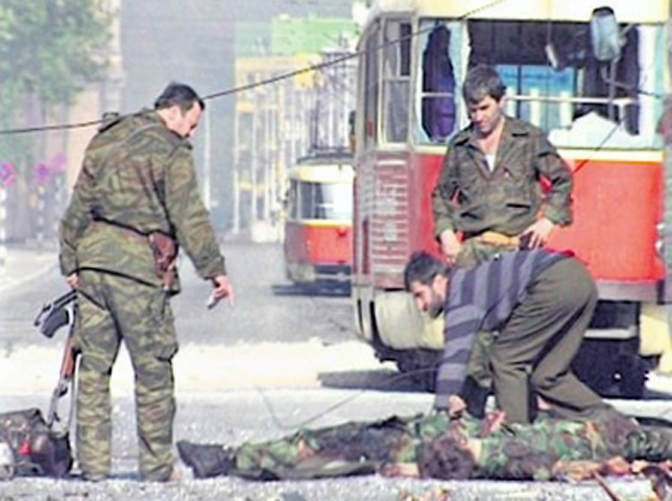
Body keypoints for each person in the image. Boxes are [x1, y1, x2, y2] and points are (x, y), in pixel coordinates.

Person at [58, 82, 234, 482]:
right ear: (174, 111)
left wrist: (70, 261)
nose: (191, 134)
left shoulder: (107, 138)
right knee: (153, 372)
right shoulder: (171, 151)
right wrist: (215, 270)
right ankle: (156, 469)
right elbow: (189, 215)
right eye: (191, 124)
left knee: (93, 371)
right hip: (139, 272)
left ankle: (93, 468)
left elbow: (78, 206)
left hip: (94, 268)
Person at [175, 408, 672, 483]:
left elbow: (485, 460)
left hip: (415, 447)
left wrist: (424, 468)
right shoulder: (585, 434)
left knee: (324, 447)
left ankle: (229, 461)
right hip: (427, 434)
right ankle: (235, 459)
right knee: (330, 442)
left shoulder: (572, 452)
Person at [403, 250, 606, 424]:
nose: (420, 306)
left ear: (438, 282)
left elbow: (454, 360)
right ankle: (611, 423)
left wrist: (440, 415)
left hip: (554, 281)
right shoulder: (470, 283)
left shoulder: (461, 293)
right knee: (548, 374)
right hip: (579, 278)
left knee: (505, 360)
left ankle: (514, 439)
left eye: (420, 295)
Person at [432, 64, 573, 268]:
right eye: (472, 111)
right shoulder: (460, 146)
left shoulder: (527, 139)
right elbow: (441, 195)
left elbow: (563, 179)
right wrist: (446, 234)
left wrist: (548, 221)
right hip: (473, 253)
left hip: (517, 251)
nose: (478, 117)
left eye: (484, 108)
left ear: (501, 102)